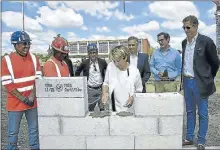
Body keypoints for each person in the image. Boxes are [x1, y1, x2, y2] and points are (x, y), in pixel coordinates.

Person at [181, 15, 220, 149]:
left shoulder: (206, 41)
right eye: (184, 27)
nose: (186, 30)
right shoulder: (184, 43)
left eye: (188, 27)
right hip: (187, 81)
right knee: (190, 111)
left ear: (196, 26)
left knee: (202, 113)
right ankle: (189, 137)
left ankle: (201, 140)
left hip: (200, 83)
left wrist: (207, 78)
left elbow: (215, 63)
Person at [1, 31, 42, 149]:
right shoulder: (6, 60)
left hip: (31, 102)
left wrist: (32, 96)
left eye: (28, 43)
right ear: (15, 45)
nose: (27, 46)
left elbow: (38, 79)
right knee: (13, 133)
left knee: (34, 130)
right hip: (15, 104)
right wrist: (23, 98)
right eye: (24, 43)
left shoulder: (34, 58)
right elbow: (7, 83)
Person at [101, 45, 143, 112]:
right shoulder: (110, 66)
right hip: (113, 109)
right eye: (114, 61)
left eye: (117, 61)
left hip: (129, 110)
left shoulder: (134, 71)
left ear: (125, 58)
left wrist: (132, 97)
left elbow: (139, 89)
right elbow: (106, 83)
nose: (115, 64)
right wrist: (104, 93)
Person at [75, 43, 107, 111]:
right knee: (90, 109)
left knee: (102, 108)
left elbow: (108, 72)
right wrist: (80, 83)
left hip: (101, 89)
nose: (93, 54)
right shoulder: (84, 63)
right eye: (91, 53)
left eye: (94, 52)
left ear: (97, 53)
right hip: (90, 90)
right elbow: (77, 72)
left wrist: (106, 83)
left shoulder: (102, 62)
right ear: (88, 54)